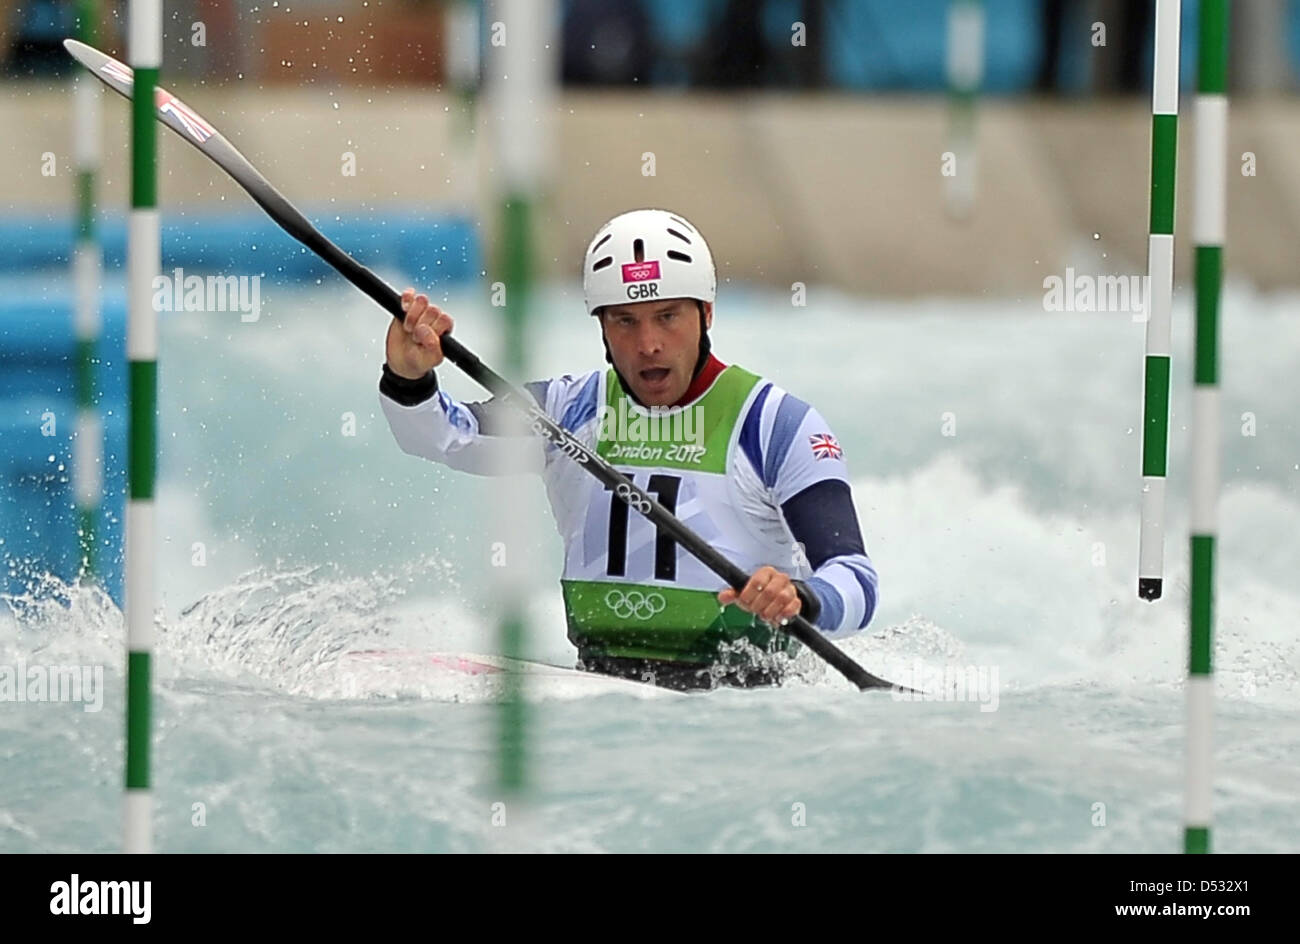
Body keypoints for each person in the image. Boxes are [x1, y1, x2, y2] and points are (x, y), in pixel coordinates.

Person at [379, 208, 877, 691]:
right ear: (601, 328)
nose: (648, 344)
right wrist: (409, 376)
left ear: (706, 314)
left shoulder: (776, 425)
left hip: (741, 694)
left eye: (667, 317)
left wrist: (802, 597)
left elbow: (857, 578)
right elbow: (445, 435)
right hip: (603, 686)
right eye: (624, 321)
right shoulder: (564, 409)